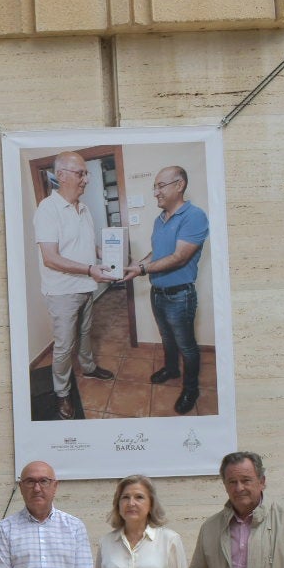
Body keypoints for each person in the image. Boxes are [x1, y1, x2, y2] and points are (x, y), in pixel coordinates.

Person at [122, 166, 209, 415]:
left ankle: (191, 389)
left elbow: (180, 257)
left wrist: (142, 270)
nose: (155, 192)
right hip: (157, 293)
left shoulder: (194, 216)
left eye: (161, 186)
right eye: (155, 186)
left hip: (180, 296)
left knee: (187, 346)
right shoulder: (159, 220)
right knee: (167, 338)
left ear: (179, 185)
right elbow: (157, 255)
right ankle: (172, 369)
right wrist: (139, 264)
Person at [34, 151, 113, 419]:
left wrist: (111, 255)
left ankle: (89, 367)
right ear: (61, 175)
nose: (85, 179)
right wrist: (91, 269)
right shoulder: (47, 209)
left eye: (86, 173)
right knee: (64, 346)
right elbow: (51, 258)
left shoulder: (85, 208)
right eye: (80, 173)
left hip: (86, 286)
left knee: (85, 333)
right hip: (62, 292)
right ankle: (62, 393)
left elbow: (87, 245)